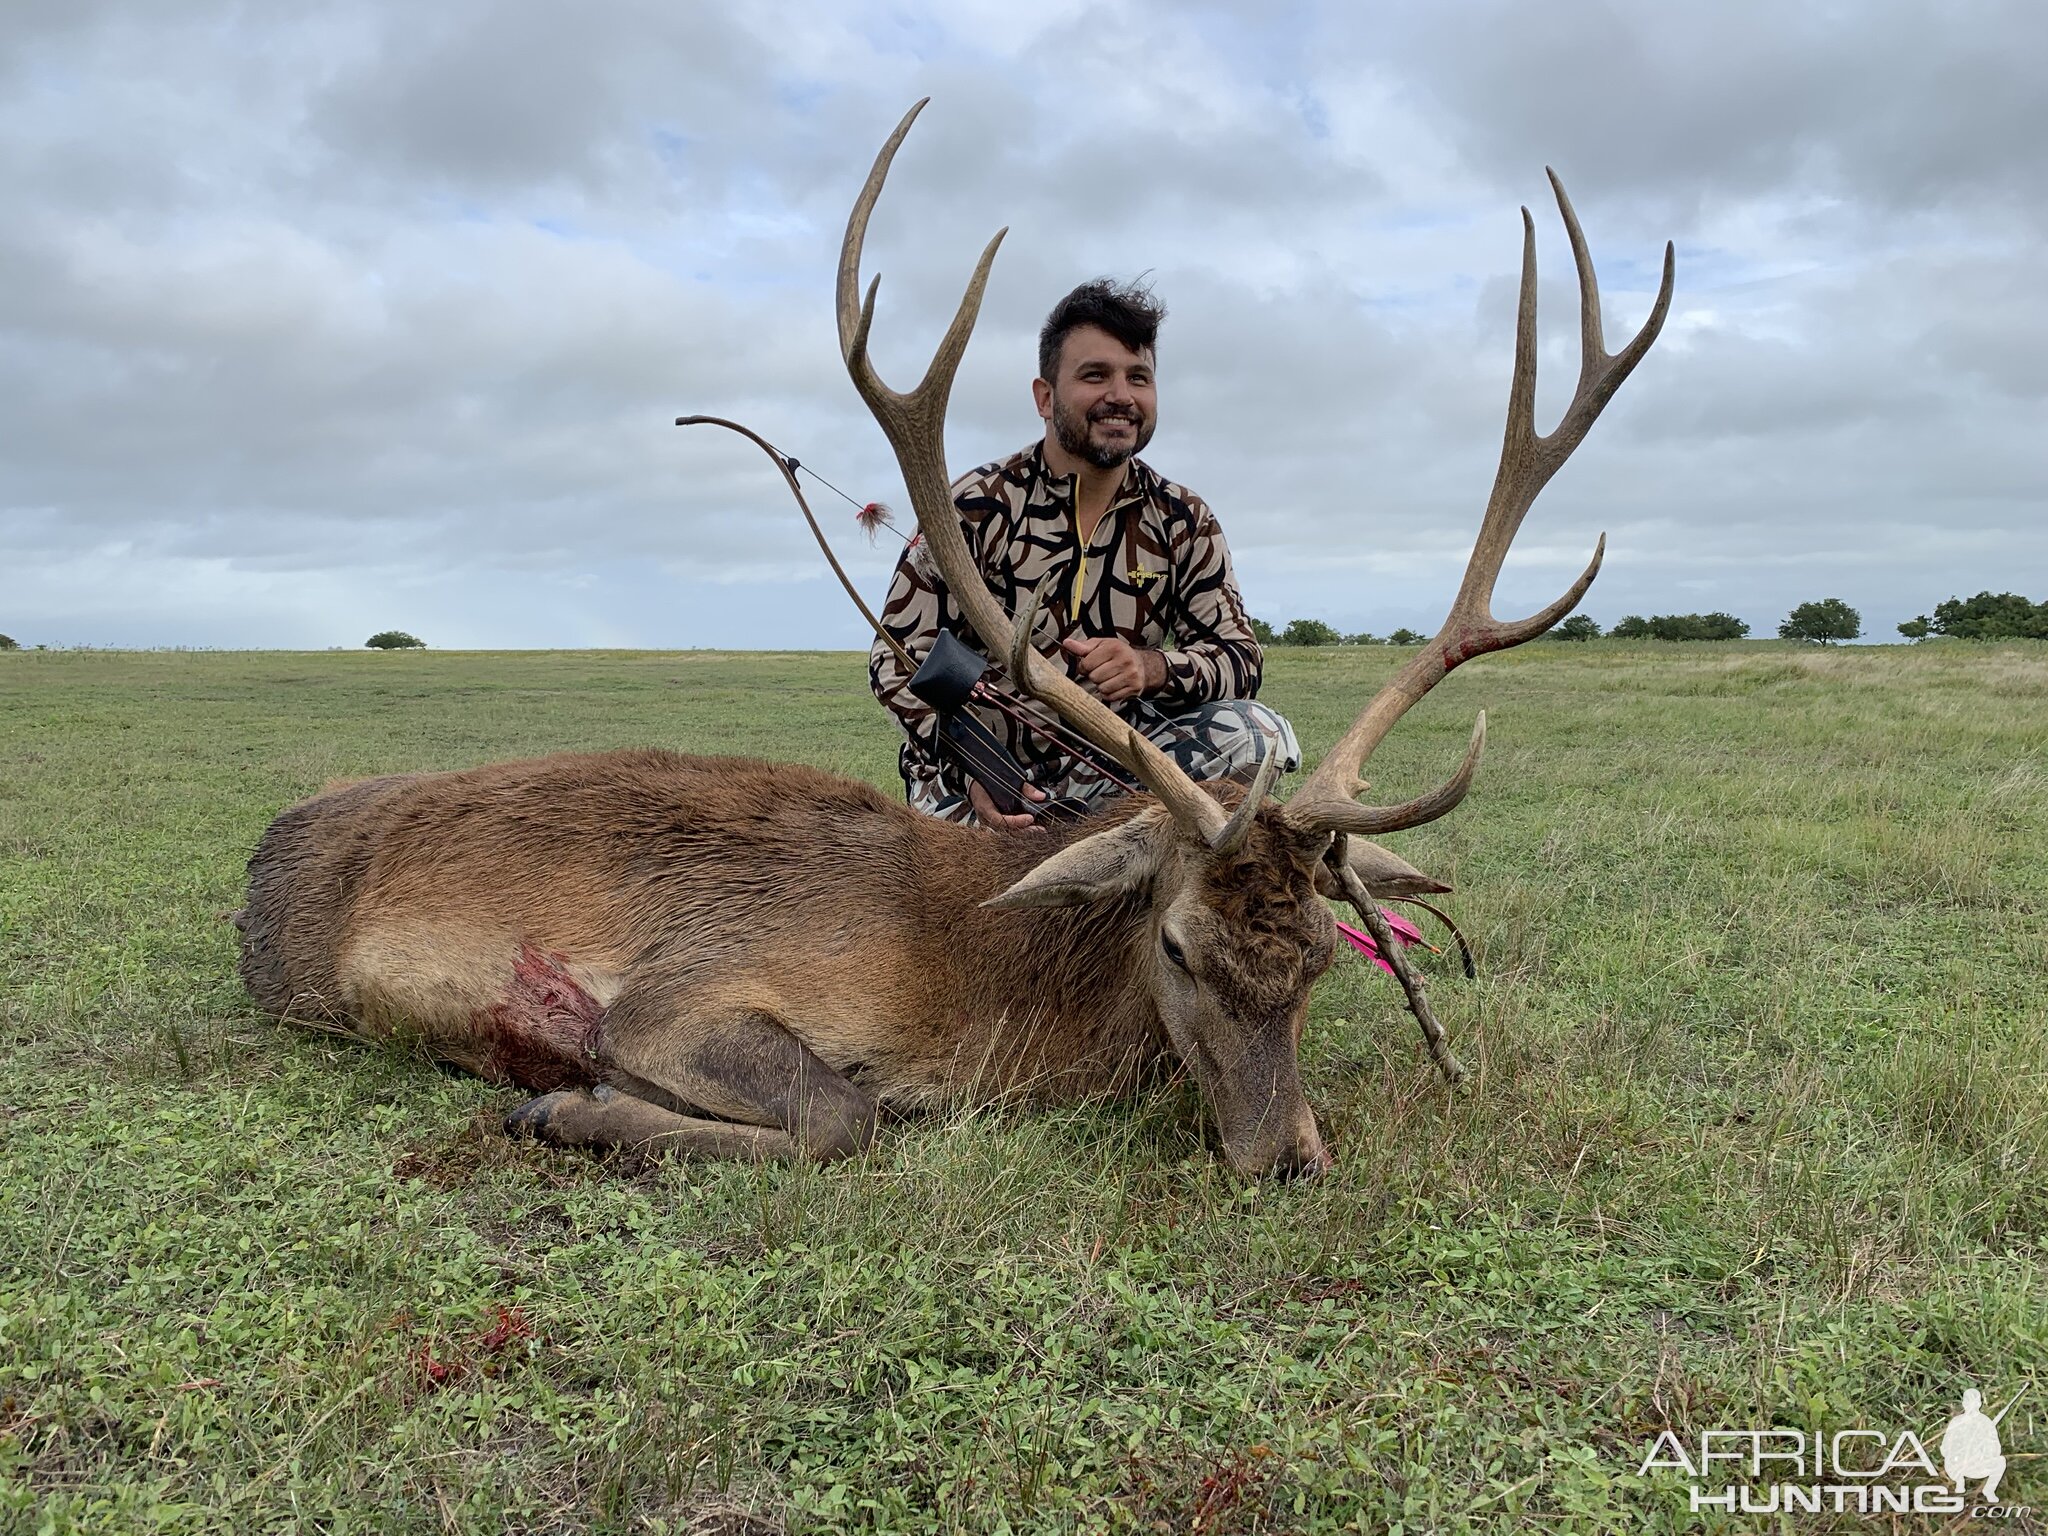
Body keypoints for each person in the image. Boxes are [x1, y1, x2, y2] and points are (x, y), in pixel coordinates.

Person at [869, 278, 1298, 827]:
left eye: (1138, 378)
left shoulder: (1183, 519)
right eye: (1095, 375)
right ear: (1044, 397)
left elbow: (1240, 658)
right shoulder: (972, 507)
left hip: (1108, 769)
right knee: (977, 886)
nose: (1121, 395)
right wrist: (973, 764)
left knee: (1258, 733)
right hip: (978, 777)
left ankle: (1111, 848)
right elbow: (893, 659)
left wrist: (1152, 666)